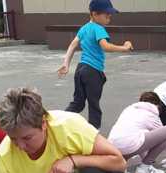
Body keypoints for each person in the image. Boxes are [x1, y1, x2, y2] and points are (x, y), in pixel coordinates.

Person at [57, 0, 133, 129]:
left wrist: (66, 64)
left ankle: (59, 123)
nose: (109, 16)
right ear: (94, 14)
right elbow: (106, 46)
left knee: (78, 103)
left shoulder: (85, 28)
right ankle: (93, 135)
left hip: (80, 69)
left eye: (110, 14)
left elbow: (73, 45)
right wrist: (124, 48)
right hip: (93, 71)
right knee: (94, 105)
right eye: (106, 14)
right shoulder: (99, 29)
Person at [107, 93, 166, 173]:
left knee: (137, 135)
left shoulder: (129, 109)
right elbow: (165, 135)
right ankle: (145, 167)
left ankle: (120, 167)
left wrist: (144, 156)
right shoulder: (152, 114)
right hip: (129, 145)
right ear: (157, 105)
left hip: (112, 148)